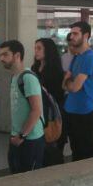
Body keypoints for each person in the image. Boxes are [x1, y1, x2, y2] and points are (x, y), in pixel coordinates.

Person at [0, 40, 44, 174]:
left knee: (28, 180)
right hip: (17, 137)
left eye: (5, 54)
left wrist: (21, 135)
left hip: (30, 139)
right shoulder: (15, 77)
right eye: (0, 55)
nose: (1, 58)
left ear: (17, 56)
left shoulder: (28, 78)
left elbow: (36, 110)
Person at [62, 21, 93, 161]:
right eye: (71, 33)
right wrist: (68, 82)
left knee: (85, 150)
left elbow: (74, 87)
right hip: (71, 109)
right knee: (76, 149)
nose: (72, 36)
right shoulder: (77, 57)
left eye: (75, 33)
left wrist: (68, 81)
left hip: (83, 111)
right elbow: (65, 85)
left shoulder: (90, 58)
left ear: (86, 35)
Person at [33, 38, 67, 167]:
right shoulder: (35, 67)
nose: (36, 51)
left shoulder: (55, 70)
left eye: (39, 48)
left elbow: (57, 93)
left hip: (52, 111)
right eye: (35, 48)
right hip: (39, 110)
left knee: (53, 143)